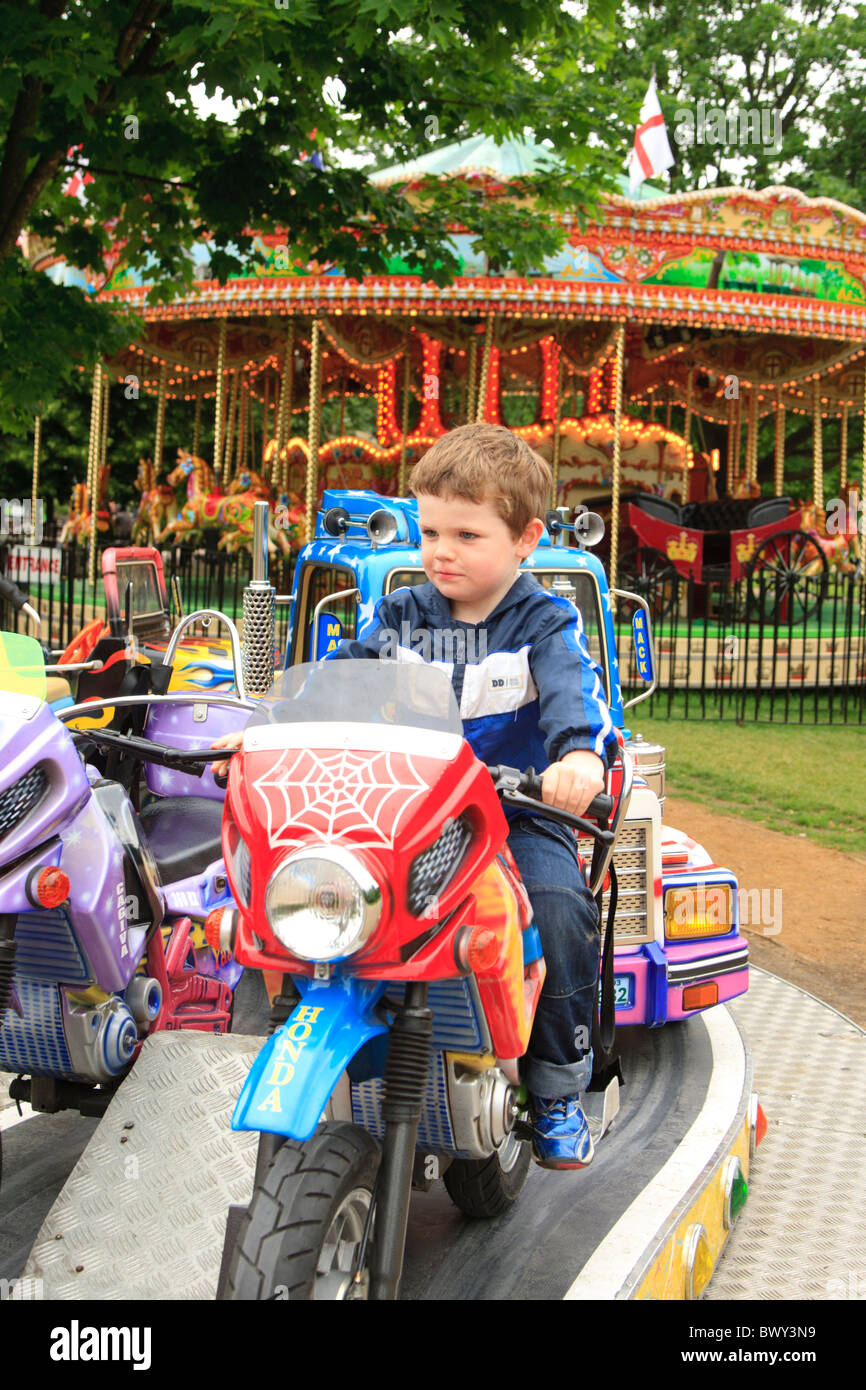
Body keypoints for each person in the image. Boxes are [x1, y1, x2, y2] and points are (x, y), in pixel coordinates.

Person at [212, 424, 618, 1169]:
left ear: (526, 539)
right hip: (410, 815)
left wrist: (580, 757)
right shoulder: (399, 616)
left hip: (513, 813)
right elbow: (337, 678)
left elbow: (572, 694)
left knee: (559, 907)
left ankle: (558, 1087)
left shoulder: (547, 621)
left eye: (467, 534)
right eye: (431, 531)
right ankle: (291, 1019)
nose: (442, 551)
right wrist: (267, 731)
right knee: (305, 886)